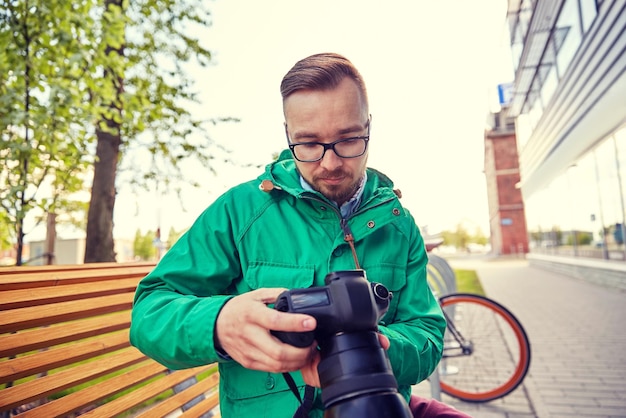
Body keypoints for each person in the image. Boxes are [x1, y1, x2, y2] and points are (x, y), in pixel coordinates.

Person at [130, 52, 464, 418]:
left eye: (349, 139)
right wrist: (218, 323)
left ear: (369, 126)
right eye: (309, 144)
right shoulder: (240, 211)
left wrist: (380, 348)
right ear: (287, 134)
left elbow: (428, 335)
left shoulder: (399, 226)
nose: (330, 163)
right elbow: (150, 313)